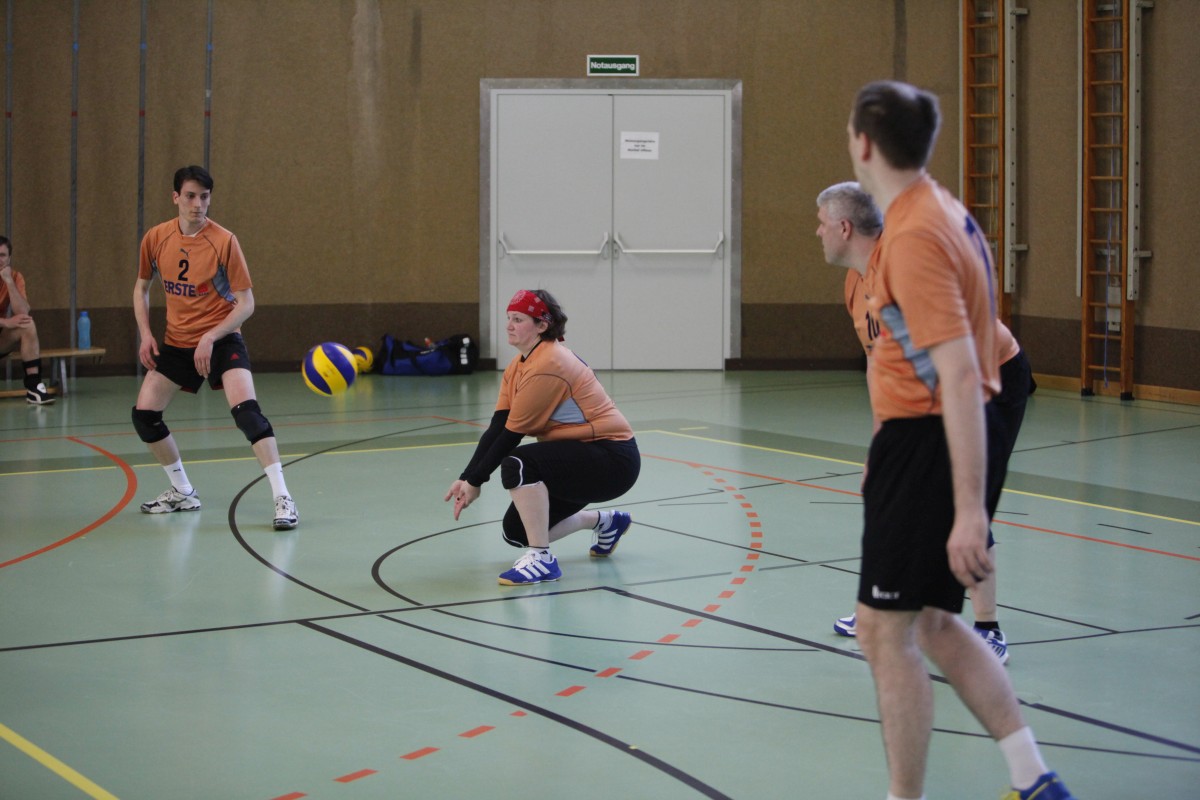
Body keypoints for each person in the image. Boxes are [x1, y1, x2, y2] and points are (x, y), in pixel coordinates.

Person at [845, 82, 1073, 800]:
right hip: (919, 437)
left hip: (928, 439)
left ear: (863, 144)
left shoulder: (915, 234)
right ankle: (1033, 778)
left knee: (885, 633)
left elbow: (962, 372)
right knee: (936, 624)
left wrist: (970, 510)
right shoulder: (939, 209)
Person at [816, 181, 1036, 664]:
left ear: (845, 228)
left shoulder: (906, 271)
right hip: (929, 386)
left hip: (988, 377)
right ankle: (890, 607)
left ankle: (988, 628)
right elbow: (878, 362)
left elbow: (952, 362)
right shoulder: (856, 283)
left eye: (822, 223)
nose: (818, 232)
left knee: (961, 497)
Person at [132, 165, 297, 530]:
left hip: (222, 339)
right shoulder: (156, 238)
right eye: (190, 196)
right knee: (144, 415)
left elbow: (246, 303)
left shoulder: (224, 241)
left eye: (204, 197)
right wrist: (145, 334)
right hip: (177, 343)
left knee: (247, 413)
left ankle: (283, 498)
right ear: (176, 197)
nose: (197, 204)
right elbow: (141, 288)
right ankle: (182, 491)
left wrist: (210, 336)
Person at [444, 289, 639, 585]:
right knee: (517, 531)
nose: (509, 325)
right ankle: (606, 522)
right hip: (580, 457)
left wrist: (476, 481)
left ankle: (542, 559)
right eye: (509, 318)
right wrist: (467, 477)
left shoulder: (549, 363)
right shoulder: (519, 365)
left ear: (542, 325)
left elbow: (512, 435)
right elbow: (498, 425)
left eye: (518, 319)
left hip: (612, 458)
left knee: (519, 463)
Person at [0, 236, 55, 404]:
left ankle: (34, 387)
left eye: (2, 255)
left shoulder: (15, 277)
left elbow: (23, 311)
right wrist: (5, 322)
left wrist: (8, 281)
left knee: (27, 324)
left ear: (9, 258)